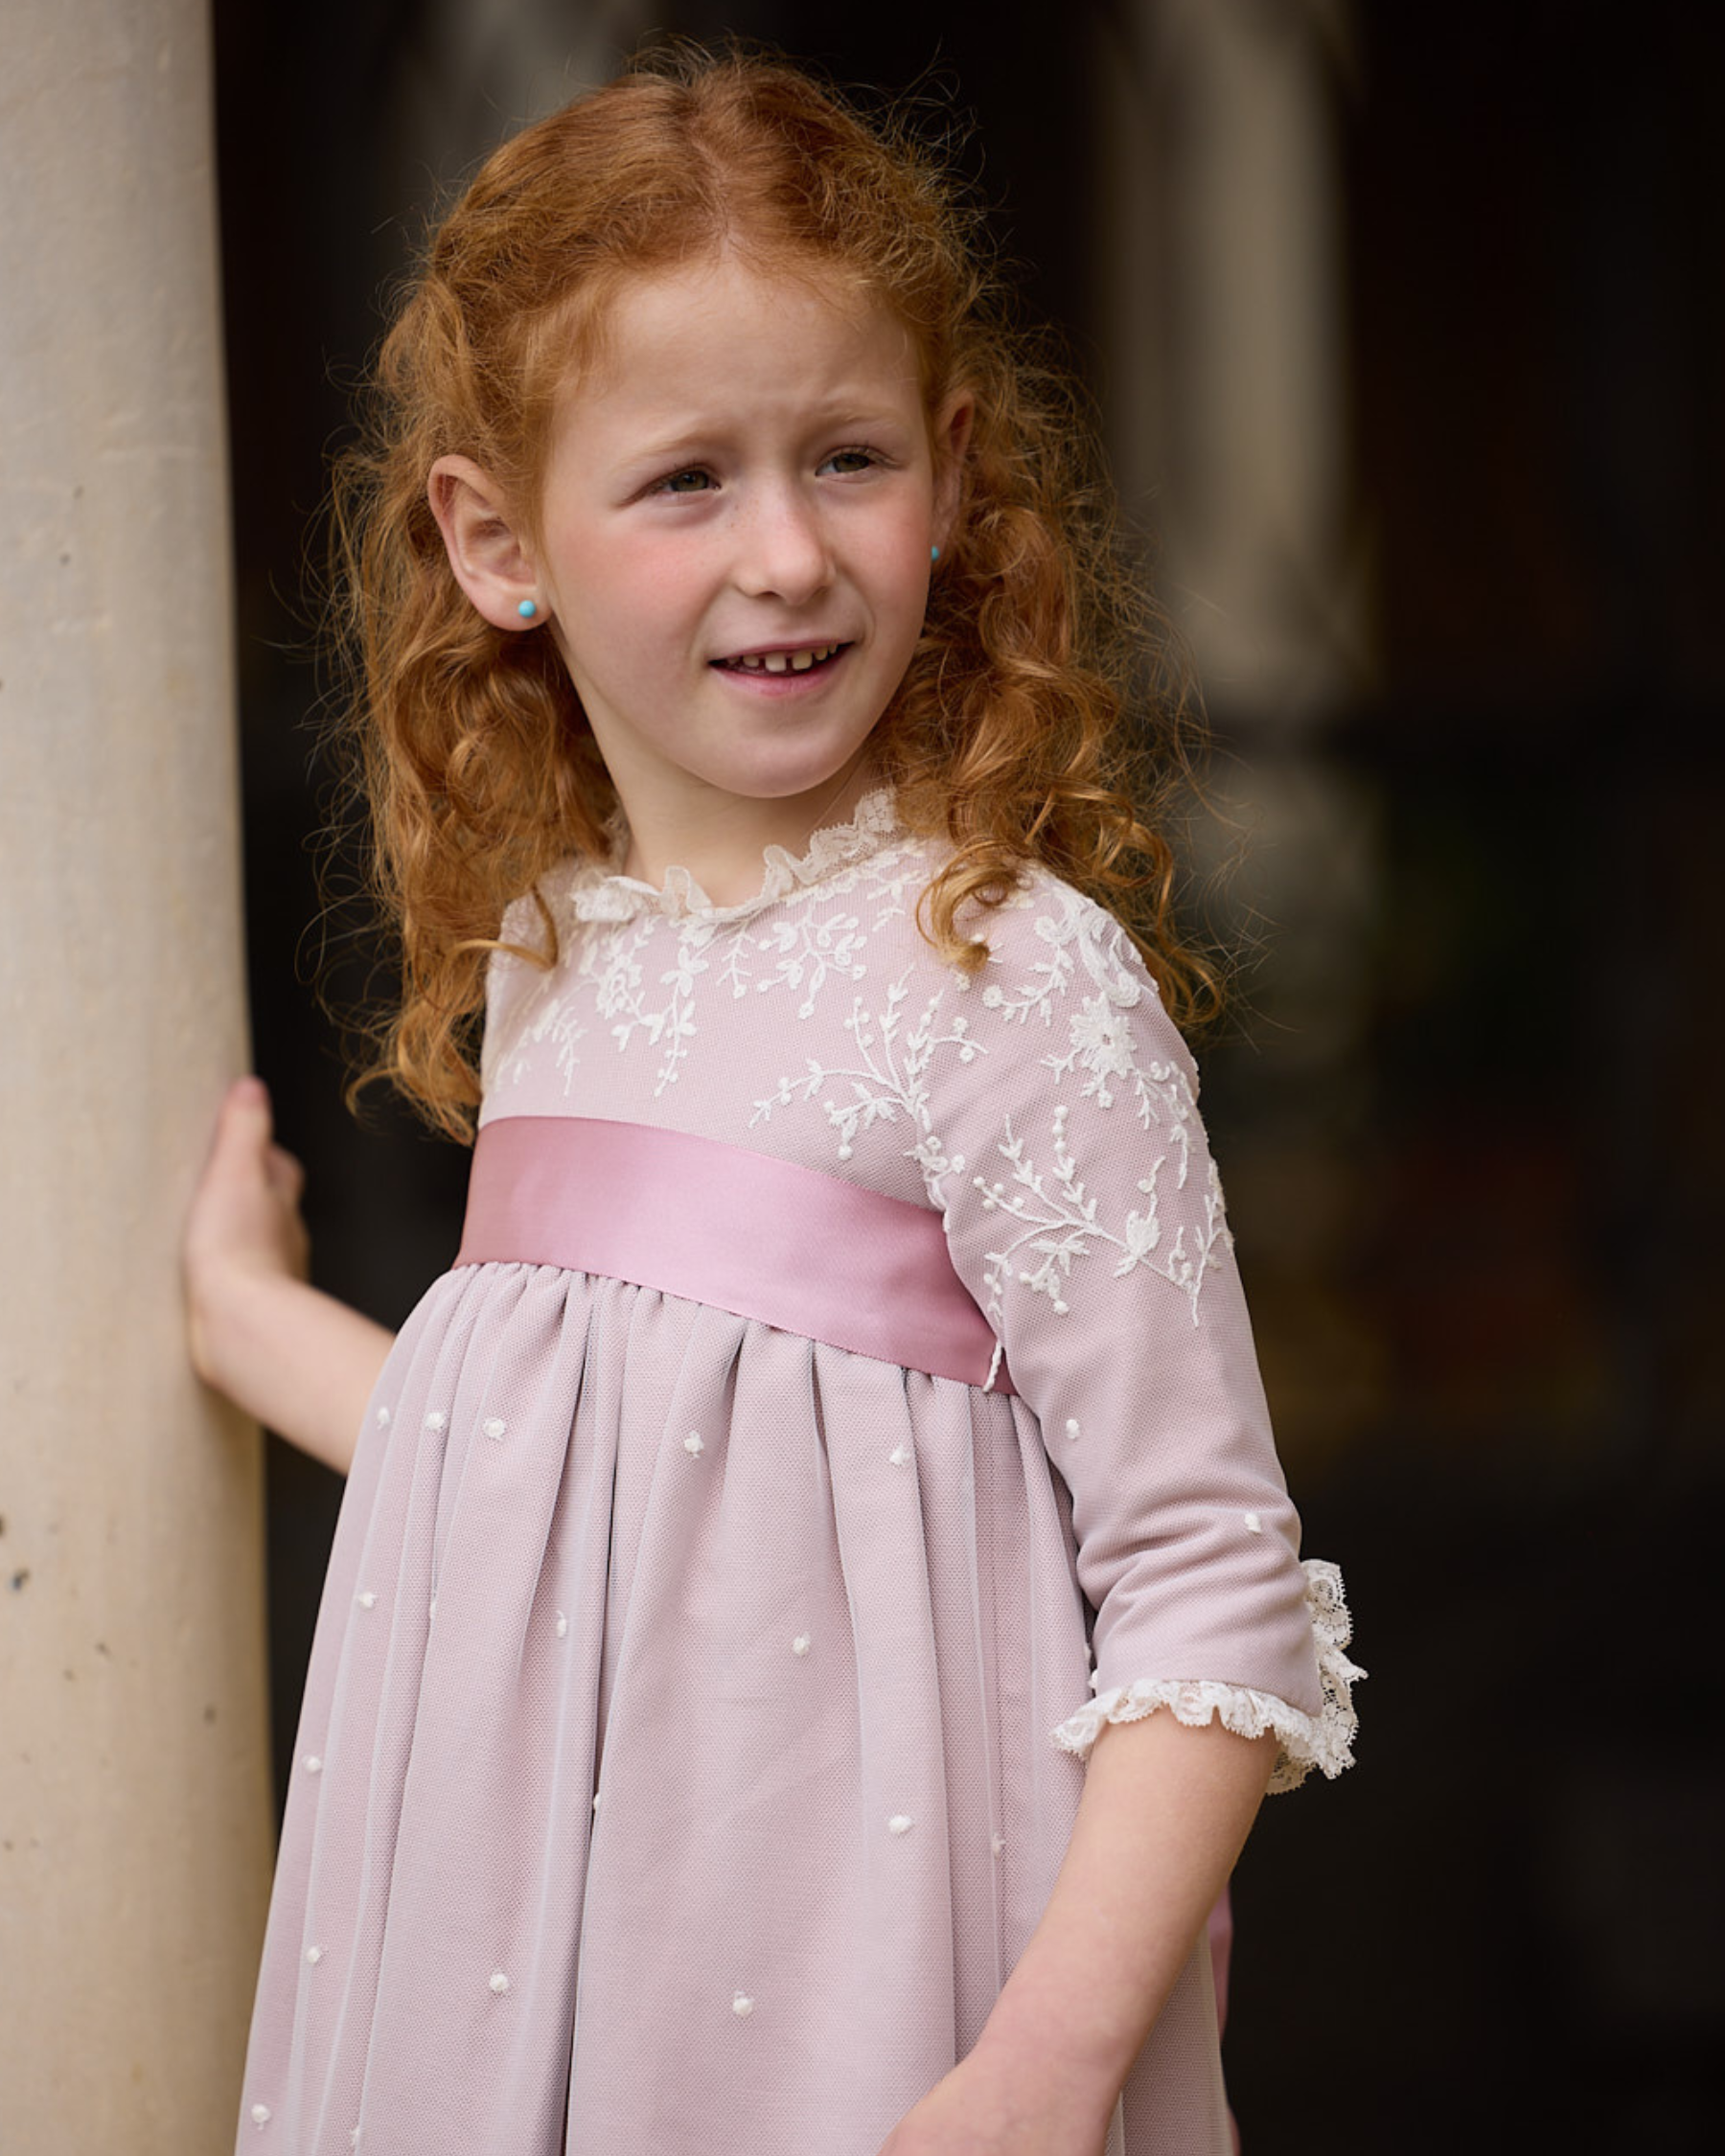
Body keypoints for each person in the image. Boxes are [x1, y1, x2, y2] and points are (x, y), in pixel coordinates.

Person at [185, 45, 1361, 2156]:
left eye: (846, 458)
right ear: (493, 540)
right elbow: (588, 1478)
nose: (790, 554)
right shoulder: (561, 965)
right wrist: (248, 1320)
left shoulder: (1001, 976)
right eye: (685, 480)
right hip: (558, 1990)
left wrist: (1040, 2071)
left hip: (890, 2016)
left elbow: (1208, 1580)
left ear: (954, 472)